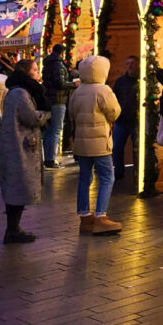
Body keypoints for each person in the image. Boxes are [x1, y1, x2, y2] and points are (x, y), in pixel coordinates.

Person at [0, 58, 50, 244]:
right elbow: (31, 117)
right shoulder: (20, 93)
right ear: (26, 73)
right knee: (17, 187)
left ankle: (14, 228)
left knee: (17, 187)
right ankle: (12, 230)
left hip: (17, 146)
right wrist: (45, 114)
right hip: (18, 148)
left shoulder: (17, 91)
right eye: (35, 70)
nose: (38, 73)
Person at [69, 55, 122, 235]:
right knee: (107, 176)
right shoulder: (103, 90)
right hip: (100, 142)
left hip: (81, 142)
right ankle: (101, 216)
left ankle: (85, 216)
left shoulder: (78, 90)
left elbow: (72, 112)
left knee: (85, 178)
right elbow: (114, 112)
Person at [41, 43, 76, 167]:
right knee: (56, 129)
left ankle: (48, 157)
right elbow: (60, 83)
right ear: (62, 52)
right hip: (58, 99)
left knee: (50, 130)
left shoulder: (48, 63)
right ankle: (50, 158)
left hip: (50, 99)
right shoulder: (58, 64)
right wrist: (73, 84)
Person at [111, 55, 139, 183]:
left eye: (132, 63)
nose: (130, 66)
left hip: (136, 119)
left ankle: (137, 171)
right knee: (117, 146)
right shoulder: (120, 81)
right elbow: (114, 98)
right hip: (122, 119)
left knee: (137, 147)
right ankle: (119, 171)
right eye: (127, 64)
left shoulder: (141, 80)